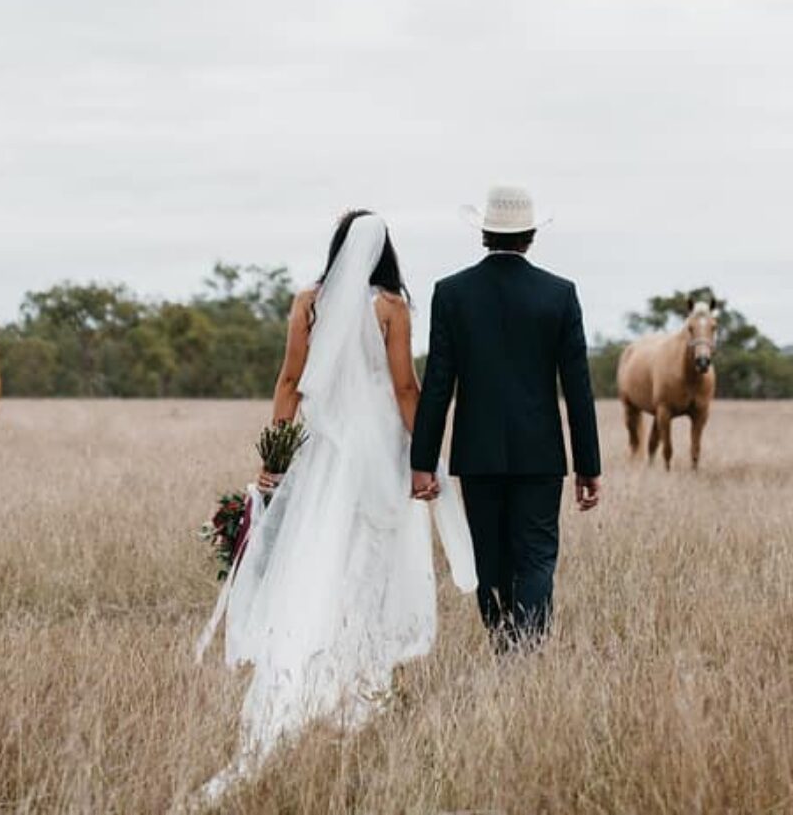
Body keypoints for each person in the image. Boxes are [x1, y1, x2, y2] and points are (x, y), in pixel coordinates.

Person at [194, 210, 475, 802]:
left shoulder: (308, 303)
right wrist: (425, 455)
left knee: (314, 555)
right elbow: (405, 388)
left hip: (324, 453)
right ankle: (353, 680)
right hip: (376, 453)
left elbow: (289, 381)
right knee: (368, 561)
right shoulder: (392, 307)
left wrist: (274, 452)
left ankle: (310, 669)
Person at [411, 184, 602, 650]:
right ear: (531, 235)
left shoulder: (451, 293)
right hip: (541, 456)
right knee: (536, 559)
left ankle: (503, 648)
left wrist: (422, 459)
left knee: (490, 559)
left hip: (476, 455)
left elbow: (438, 384)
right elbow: (578, 389)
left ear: (484, 234)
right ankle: (527, 654)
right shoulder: (559, 294)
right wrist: (588, 467)